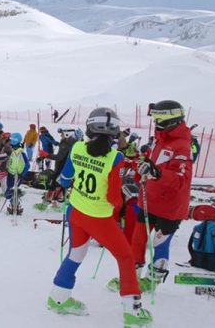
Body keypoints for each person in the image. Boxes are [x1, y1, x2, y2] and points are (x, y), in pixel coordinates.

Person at [48, 107, 151, 326]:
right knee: (125, 257)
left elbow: (65, 179)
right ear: (114, 133)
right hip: (99, 218)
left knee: (76, 254)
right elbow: (114, 198)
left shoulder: (77, 147)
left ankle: (58, 298)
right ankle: (132, 311)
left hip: (76, 211)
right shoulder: (116, 157)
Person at [127, 100, 194, 293]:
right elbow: (155, 165)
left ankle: (153, 279)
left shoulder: (182, 146)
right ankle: (132, 277)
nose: (155, 122)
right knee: (137, 239)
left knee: (159, 242)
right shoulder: (161, 139)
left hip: (170, 207)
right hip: (150, 199)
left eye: (158, 119)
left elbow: (181, 179)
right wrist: (141, 167)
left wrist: (156, 172)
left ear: (169, 120)